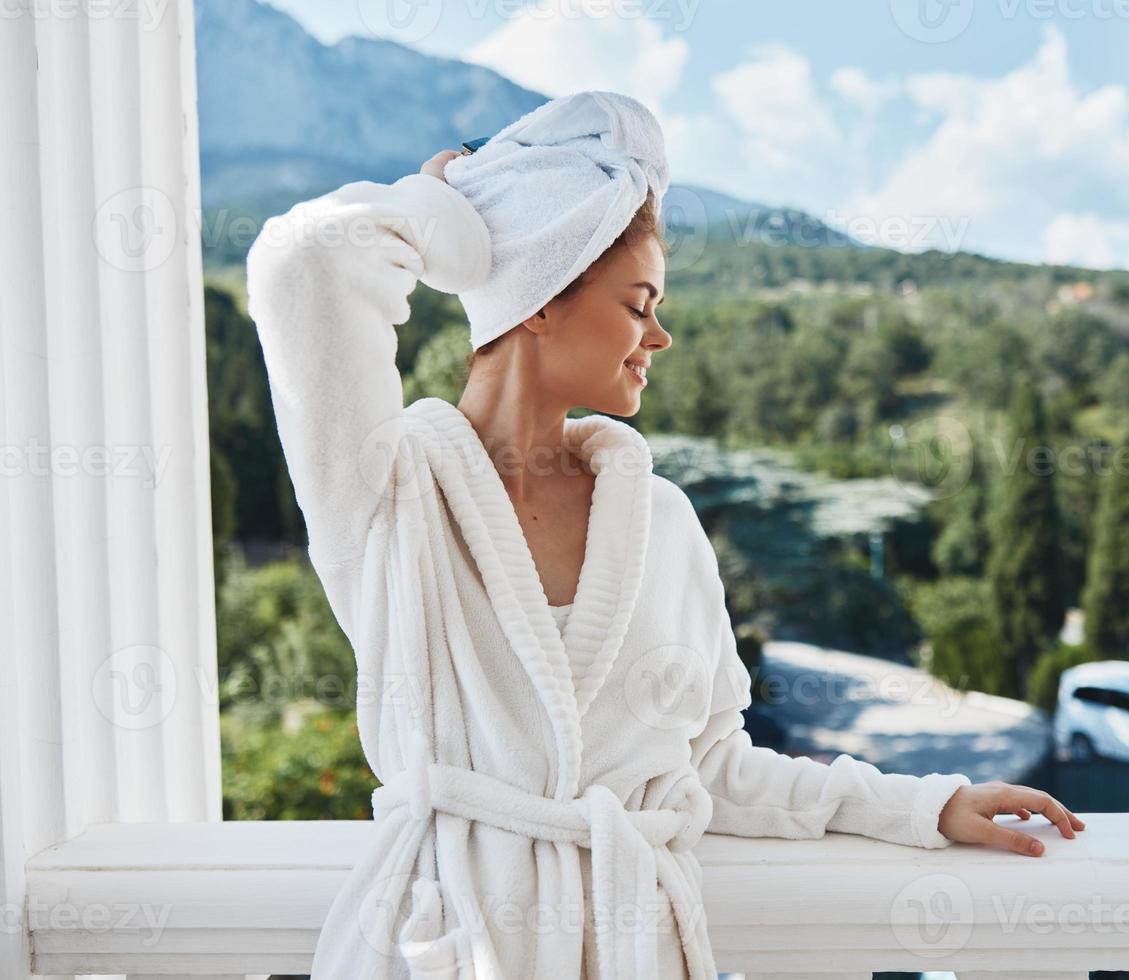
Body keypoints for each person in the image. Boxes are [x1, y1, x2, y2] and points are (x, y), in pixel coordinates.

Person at [245, 90, 1083, 980]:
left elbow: (715, 769)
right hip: (439, 949)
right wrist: (450, 207)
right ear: (538, 299)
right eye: (637, 303)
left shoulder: (663, 524)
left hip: (629, 948)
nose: (661, 335)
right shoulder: (388, 494)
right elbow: (306, 260)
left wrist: (922, 807)